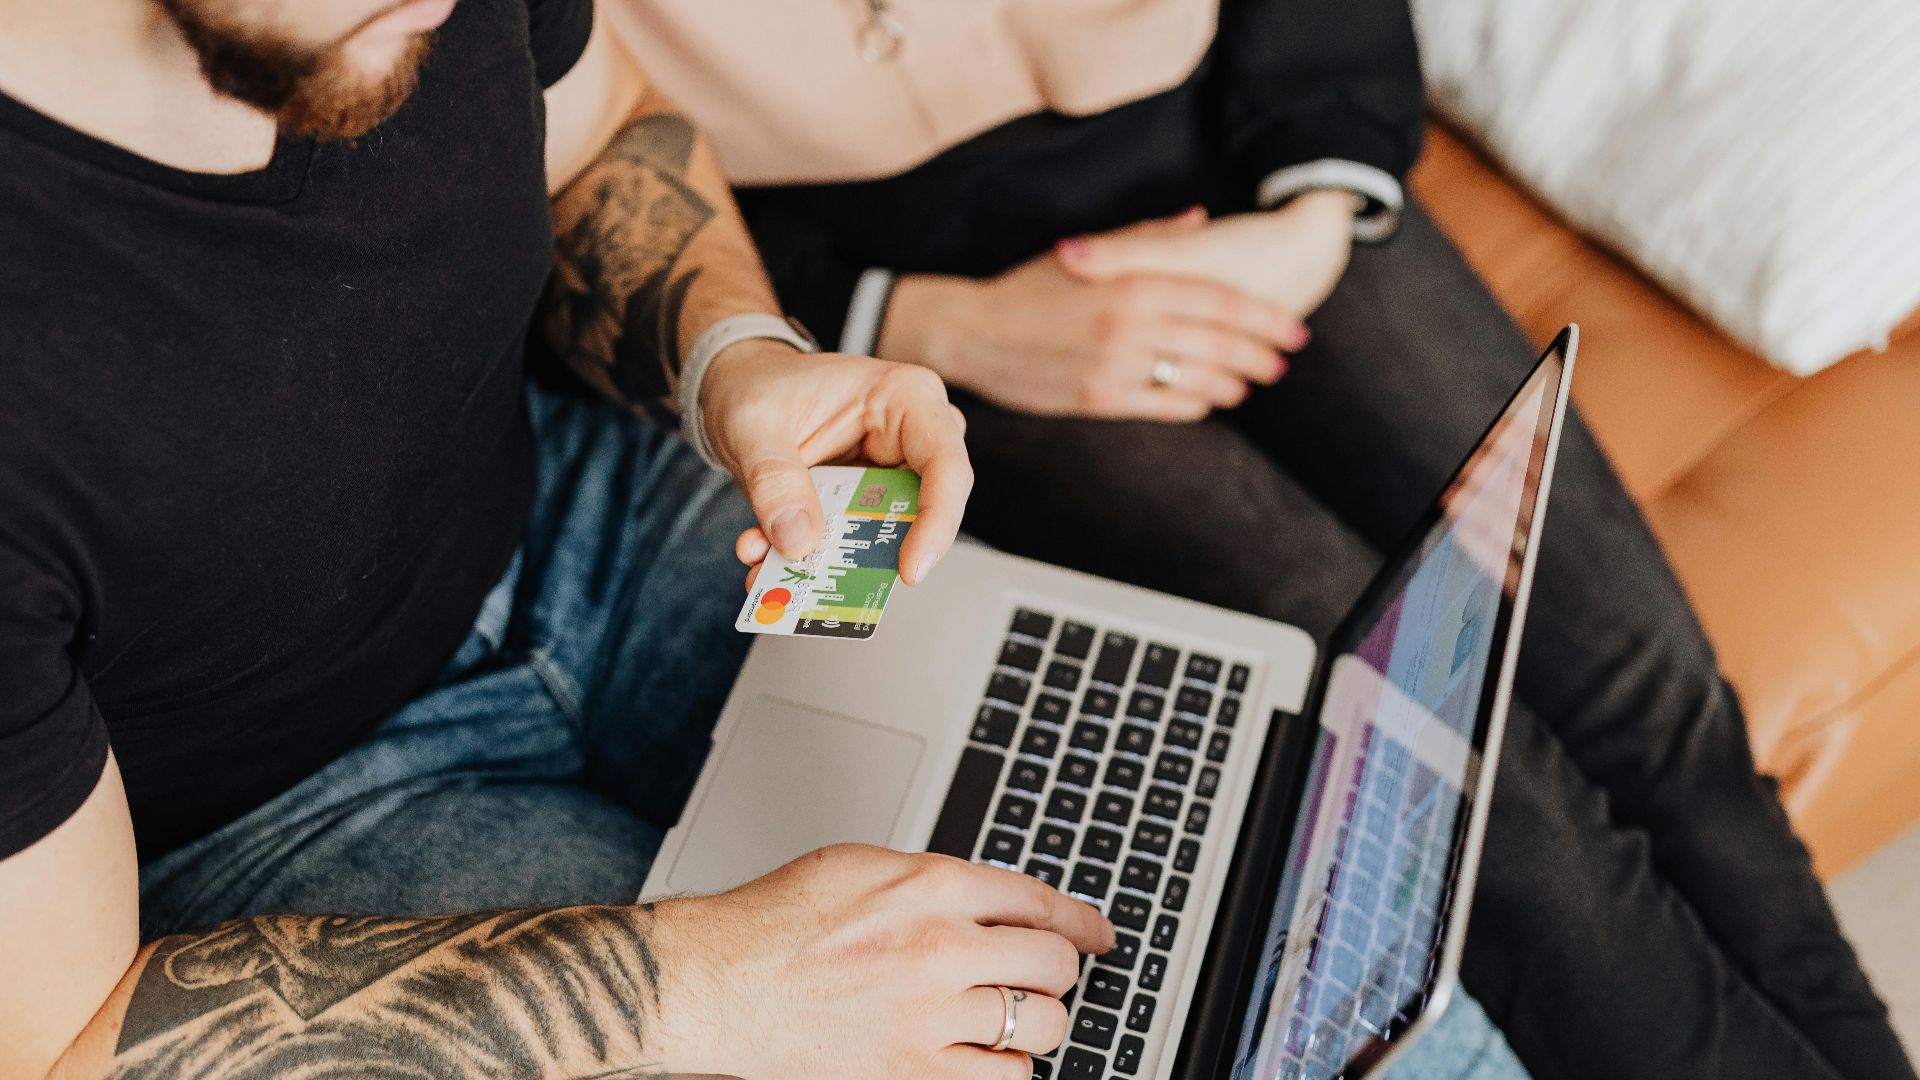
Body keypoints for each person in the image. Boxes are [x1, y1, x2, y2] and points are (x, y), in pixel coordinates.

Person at [602, 1, 1919, 1078]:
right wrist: (921, 319)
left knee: (1648, 677)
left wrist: (1315, 214)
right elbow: (573, 193)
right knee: (1449, 772)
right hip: (936, 305)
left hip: (1254, 163)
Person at [0, 2, 1180, 1077]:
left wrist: (738, 357)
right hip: (260, 815)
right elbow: (56, 1045)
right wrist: (706, 989)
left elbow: (602, 123)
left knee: (1122, 813)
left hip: (575, 504)